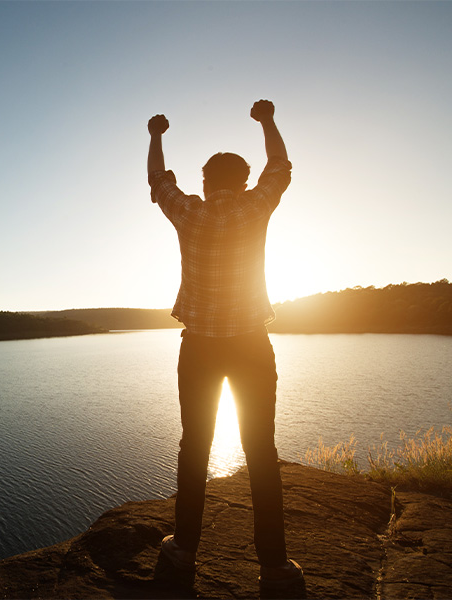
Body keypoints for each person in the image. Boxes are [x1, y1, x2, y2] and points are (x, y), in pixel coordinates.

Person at [146, 100, 304, 589]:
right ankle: (274, 566)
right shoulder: (257, 205)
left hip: (199, 349)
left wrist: (155, 134)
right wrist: (268, 121)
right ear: (243, 179)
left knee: (195, 446)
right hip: (252, 347)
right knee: (260, 448)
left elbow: (157, 182)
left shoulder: (189, 211)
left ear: (205, 180)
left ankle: (183, 552)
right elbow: (281, 166)